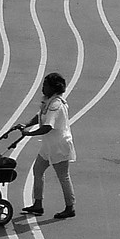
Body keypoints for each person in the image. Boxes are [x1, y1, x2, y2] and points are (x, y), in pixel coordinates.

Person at [21, 71, 76, 220]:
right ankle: (37, 204)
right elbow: (40, 116)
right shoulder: (48, 101)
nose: (43, 87)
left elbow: (47, 126)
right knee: (37, 170)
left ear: (54, 88)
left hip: (59, 146)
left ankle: (70, 207)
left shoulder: (56, 105)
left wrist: (29, 134)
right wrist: (26, 124)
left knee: (63, 176)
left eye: (45, 85)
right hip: (48, 146)